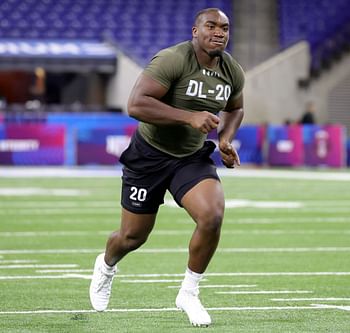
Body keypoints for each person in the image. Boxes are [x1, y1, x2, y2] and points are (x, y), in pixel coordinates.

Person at [89, 8, 245, 328]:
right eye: (211, 26)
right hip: (150, 155)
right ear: (195, 30)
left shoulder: (232, 71)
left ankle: (189, 292)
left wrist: (226, 139)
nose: (219, 32)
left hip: (190, 157)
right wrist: (188, 117)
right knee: (132, 237)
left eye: (225, 28)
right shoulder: (172, 59)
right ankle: (106, 266)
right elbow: (136, 104)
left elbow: (237, 107)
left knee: (212, 215)